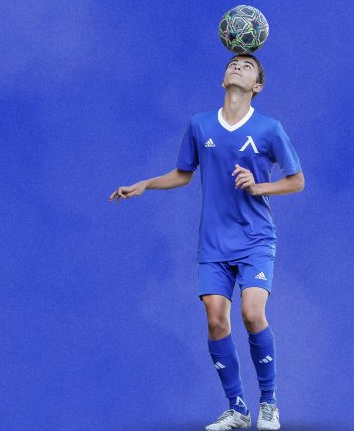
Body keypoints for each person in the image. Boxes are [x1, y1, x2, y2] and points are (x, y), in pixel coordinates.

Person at [108, 53, 304, 431]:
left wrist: (259, 187)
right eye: (233, 63)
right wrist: (146, 184)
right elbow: (183, 173)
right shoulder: (199, 125)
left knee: (251, 312)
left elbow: (297, 181)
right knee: (215, 320)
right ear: (222, 79)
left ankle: (269, 402)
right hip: (213, 242)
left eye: (247, 66)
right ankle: (237, 409)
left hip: (255, 238)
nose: (237, 66)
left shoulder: (269, 129)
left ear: (257, 86)